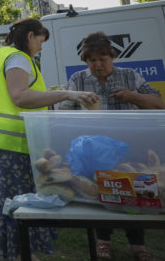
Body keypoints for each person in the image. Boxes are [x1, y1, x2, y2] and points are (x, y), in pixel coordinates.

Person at [0, 18, 99, 260]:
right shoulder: (19, 58)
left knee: (4, 201)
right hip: (13, 146)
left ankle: (13, 252)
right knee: (21, 205)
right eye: (41, 41)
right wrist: (66, 93)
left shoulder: (3, 55)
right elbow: (19, 96)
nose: (41, 47)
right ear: (30, 36)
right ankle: (19, 253)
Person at [60, 31, 164, 261]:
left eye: (103, 59)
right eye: (92, 60)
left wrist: (133, 96)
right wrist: (78, 102)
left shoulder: (130, 76)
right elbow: (64, 112)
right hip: (94, 151)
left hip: (131, 145)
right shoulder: (78, 80)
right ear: (86, 61)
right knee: (101, 193)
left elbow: (159, 103)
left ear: (112, 57)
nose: (98, 65)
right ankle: (103, 241)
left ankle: (138, 245)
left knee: (136, 193)